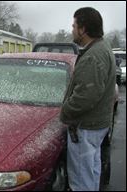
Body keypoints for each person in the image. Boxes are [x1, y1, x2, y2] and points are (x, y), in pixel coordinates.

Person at [60, 7, 116, 191]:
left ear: (83, 29)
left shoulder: (93, 56)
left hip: (86, 128)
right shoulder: (102, 47)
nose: (72, 29)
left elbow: (85, 97)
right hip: (96, 126)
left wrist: (64, 112)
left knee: (81, 180)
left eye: (74, 25)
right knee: (91, 171)